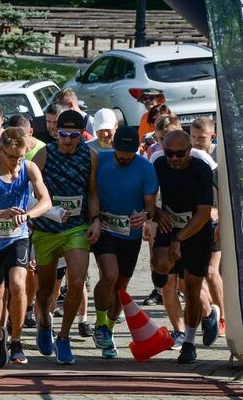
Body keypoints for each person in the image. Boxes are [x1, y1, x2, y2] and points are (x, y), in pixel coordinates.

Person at [0, 129, 52, 367]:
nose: (16, 162)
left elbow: (46, 201)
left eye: (21, 156)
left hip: (18, 236)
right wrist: (0, 214)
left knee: (17, 284)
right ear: (1, 150)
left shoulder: (29, 168)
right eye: (12, 156)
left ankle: (16, 340)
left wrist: (28, 215)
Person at [31, 110, 101, 364]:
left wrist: (96, 220)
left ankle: (63, 337)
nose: (67, 140)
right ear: (55, 132)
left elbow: (92, 192)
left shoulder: (89, 156)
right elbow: (29, 190)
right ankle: (45, 321)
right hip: (46, 228)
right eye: (63, 134)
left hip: (76, 227)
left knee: (77, 279)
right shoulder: (44, 154)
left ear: (82, 135)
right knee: (46, 289)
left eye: (73, 135)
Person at [151, 129, 217, 363]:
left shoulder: (201, 169)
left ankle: (189, 342)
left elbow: (203, 214)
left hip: (196, 231)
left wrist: (180, 238)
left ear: (189, 151)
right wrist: (157, 212)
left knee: (191, 289)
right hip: (169, 224)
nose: (174, 159)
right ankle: (160, 274)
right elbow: (147, 197)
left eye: (180, 154)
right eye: (169, 153)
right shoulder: (158, 164)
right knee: (160, 264)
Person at [91, 126, 158, 358]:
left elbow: (150, 202)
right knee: (109, 274)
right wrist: (95, 218)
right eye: (120, 152)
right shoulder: (101, 160)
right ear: (113, 147)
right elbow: (92, 192)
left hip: (130, 232)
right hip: (105, 227)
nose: (124, 157)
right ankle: (99, 324)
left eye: (129, 154)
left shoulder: (145, 168)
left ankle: (108, 332)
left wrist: (146, 216)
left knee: (120, 288)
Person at [190, 116, 225, 337]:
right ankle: (210, 311)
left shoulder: (220, 156)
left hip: (217, 220)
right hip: (195, 219)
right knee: (196, 274)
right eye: (193, 137)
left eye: (201, 138)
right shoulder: (190, 154)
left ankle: (223, 317)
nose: (196, 142)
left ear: (212, 136)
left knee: (212, 272)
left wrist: (219, 215)